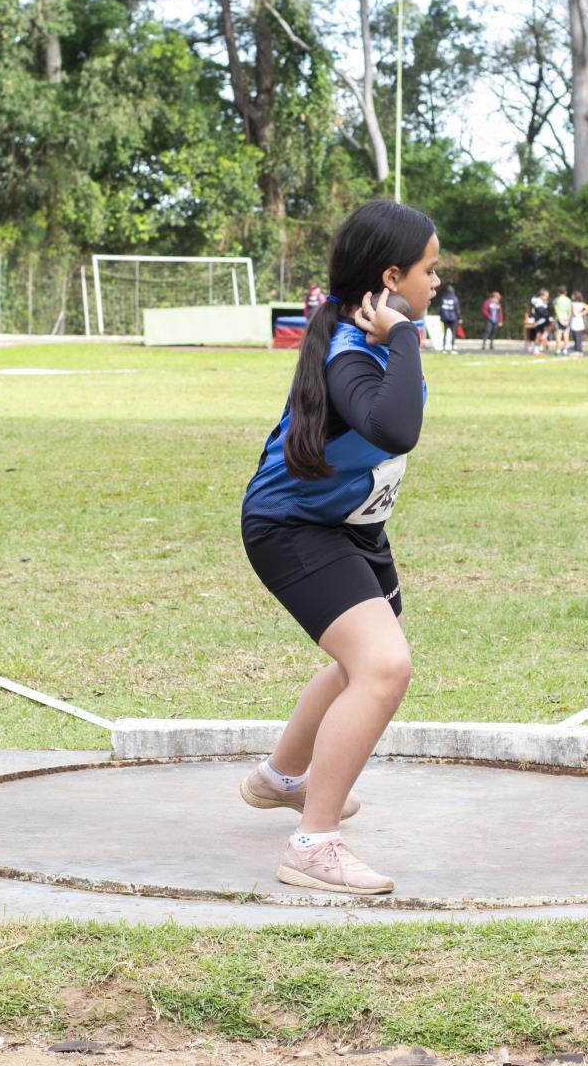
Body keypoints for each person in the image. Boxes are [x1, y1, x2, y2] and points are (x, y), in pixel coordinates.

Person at [239, 199, 438, 895]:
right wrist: (406, 334)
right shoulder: (354, 348)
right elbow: (397, 428)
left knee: (367, 662)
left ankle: (280, 777)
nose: (437, 282)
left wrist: (403, 334)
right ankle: (314, 844)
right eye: (429, 270)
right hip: (290, 528)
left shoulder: (363, 333)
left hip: (351, 527)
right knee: (384, 667)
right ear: (390, 277)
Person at [437, 285, 460, 353]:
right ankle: (452, 348)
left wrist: (441, 317)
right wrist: (459, 317)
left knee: (445, 333)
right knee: (453, 333)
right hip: (453, 318)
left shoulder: (443, 298)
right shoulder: (455, 298)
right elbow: (457, 309)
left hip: (445, 318)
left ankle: (444, 348)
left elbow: (441, 309)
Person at [528, 289, 551, 355]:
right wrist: (547, 317)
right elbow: (542, 312)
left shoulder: (542, 302)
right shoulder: (538, 302)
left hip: (542, 320)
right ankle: (536, 350)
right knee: (538, 335)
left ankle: (540, 346)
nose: (547, 297)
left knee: (543, 332)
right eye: (546, 296)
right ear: (542, 295)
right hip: (540, 321)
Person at [552, 287, 573, 355]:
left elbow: (556, 310)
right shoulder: (568, 300)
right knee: (566, 334)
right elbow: (570, 311)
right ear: (565, 292)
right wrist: (567, 319)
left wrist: (560, 319)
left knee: (559, 333)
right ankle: (565, 349)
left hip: (559, 318)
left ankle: (558, 349)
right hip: (566, 317)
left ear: (559, 292)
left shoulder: (556, 300)